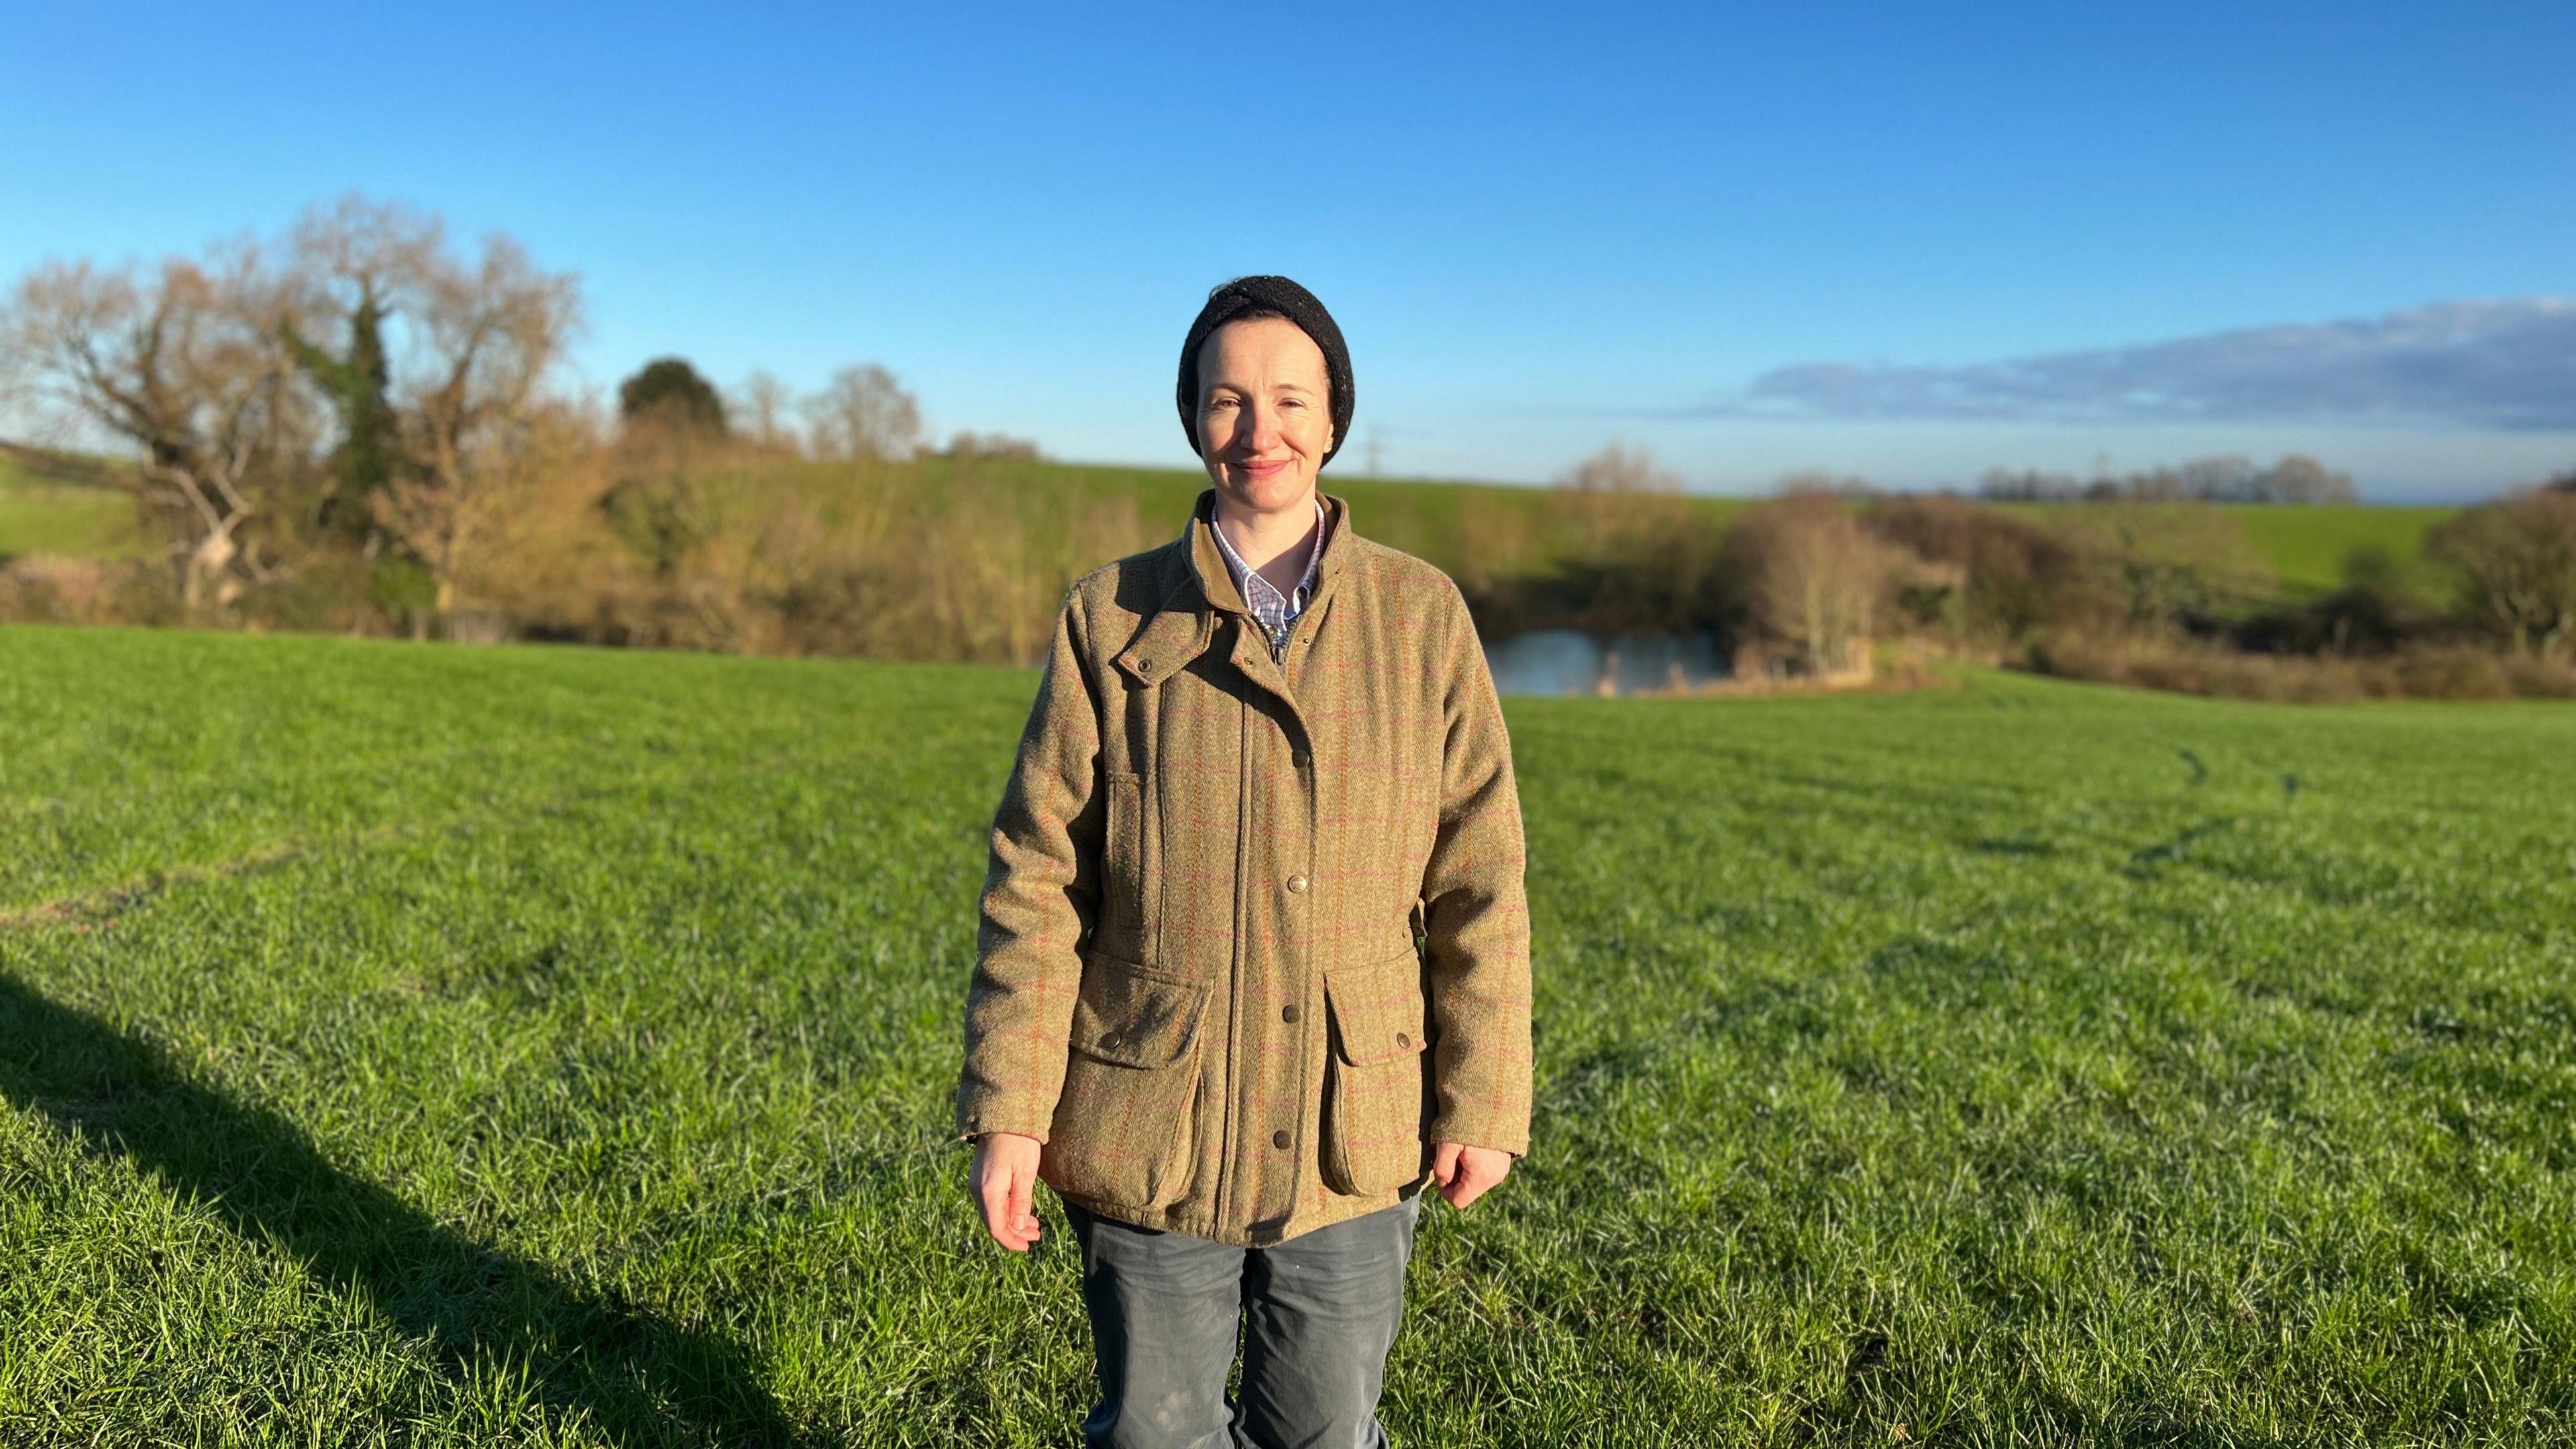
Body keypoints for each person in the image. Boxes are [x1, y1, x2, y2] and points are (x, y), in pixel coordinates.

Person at [953, 275, 1532, 1448]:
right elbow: (1038, 875)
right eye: (1226, 401)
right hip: (1149, 1120)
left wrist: (1484, 1098)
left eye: (1286, 400)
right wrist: (1011, 1110)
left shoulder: (1421, 617)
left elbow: (1482, 880)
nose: (1256, 432)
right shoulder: (1109, 614)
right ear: (1193, 419)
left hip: (1355, 1131)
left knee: (1327, 1431)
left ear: (1331, 420)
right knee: (1153, 1433)